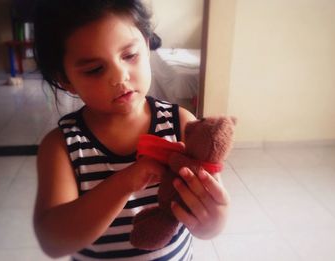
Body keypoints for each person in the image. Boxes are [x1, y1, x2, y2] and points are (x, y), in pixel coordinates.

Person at [33, 0, 229, 260]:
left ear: (146, 46)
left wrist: (214, 221)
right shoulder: (62, 146)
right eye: (95, 69)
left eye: (129, 55)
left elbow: (208, 212)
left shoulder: (180, 123)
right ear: (66, 80)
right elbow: (53, 243)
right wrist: (125, 182)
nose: (120, 76)